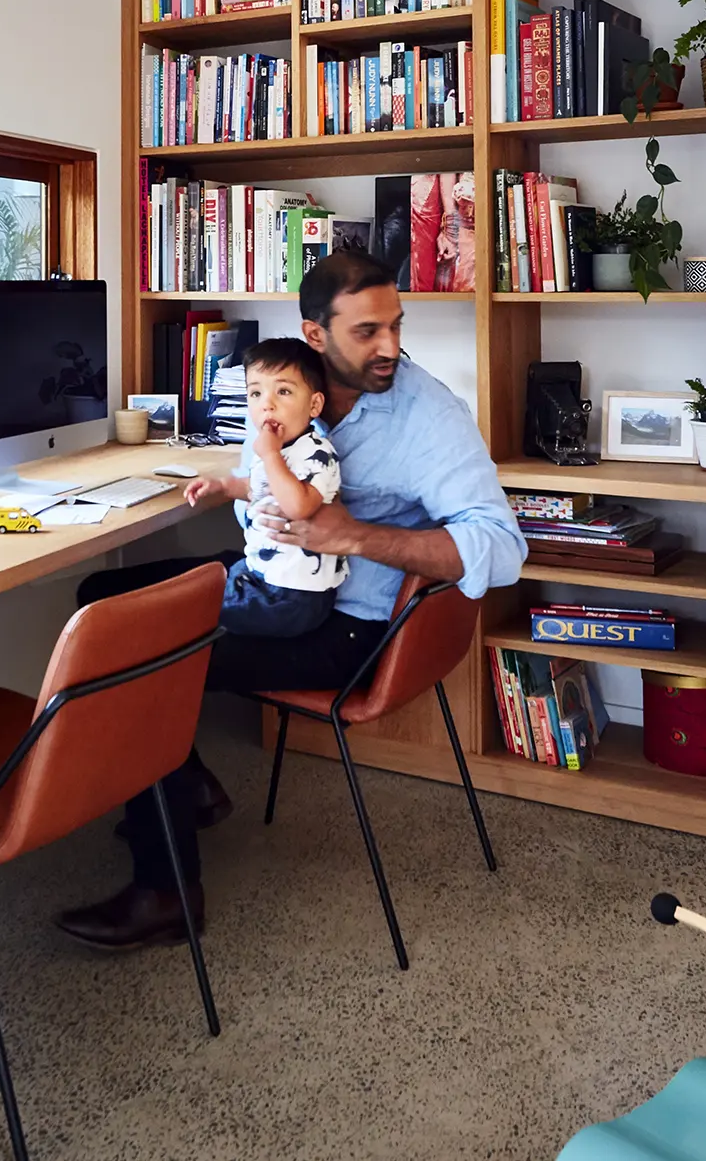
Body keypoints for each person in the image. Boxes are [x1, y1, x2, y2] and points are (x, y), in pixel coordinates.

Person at [55, 249, 525, 950]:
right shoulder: (281, 390)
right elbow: (255, 492)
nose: (390, 347)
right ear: (314, 334)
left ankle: (167, 893)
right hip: (270, 578)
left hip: (347, 626)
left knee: (143, 657)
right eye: (367, 331)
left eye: (396, 325)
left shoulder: (428, 416)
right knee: (103, 595)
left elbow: (503, 547)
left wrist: (355, 534)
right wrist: (241, 486)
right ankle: (184, 782)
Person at [184, 337, 345, 639]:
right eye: (255, 393)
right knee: (205, 593)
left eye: (283, 391)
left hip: (295, 594)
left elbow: (298, 506)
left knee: (198, 617)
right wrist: (222, 486)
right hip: (265, 576)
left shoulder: (316, 452)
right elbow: (260, 487)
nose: (266, 404)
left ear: (314, 404)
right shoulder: (276, 448)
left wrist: (270, 456)